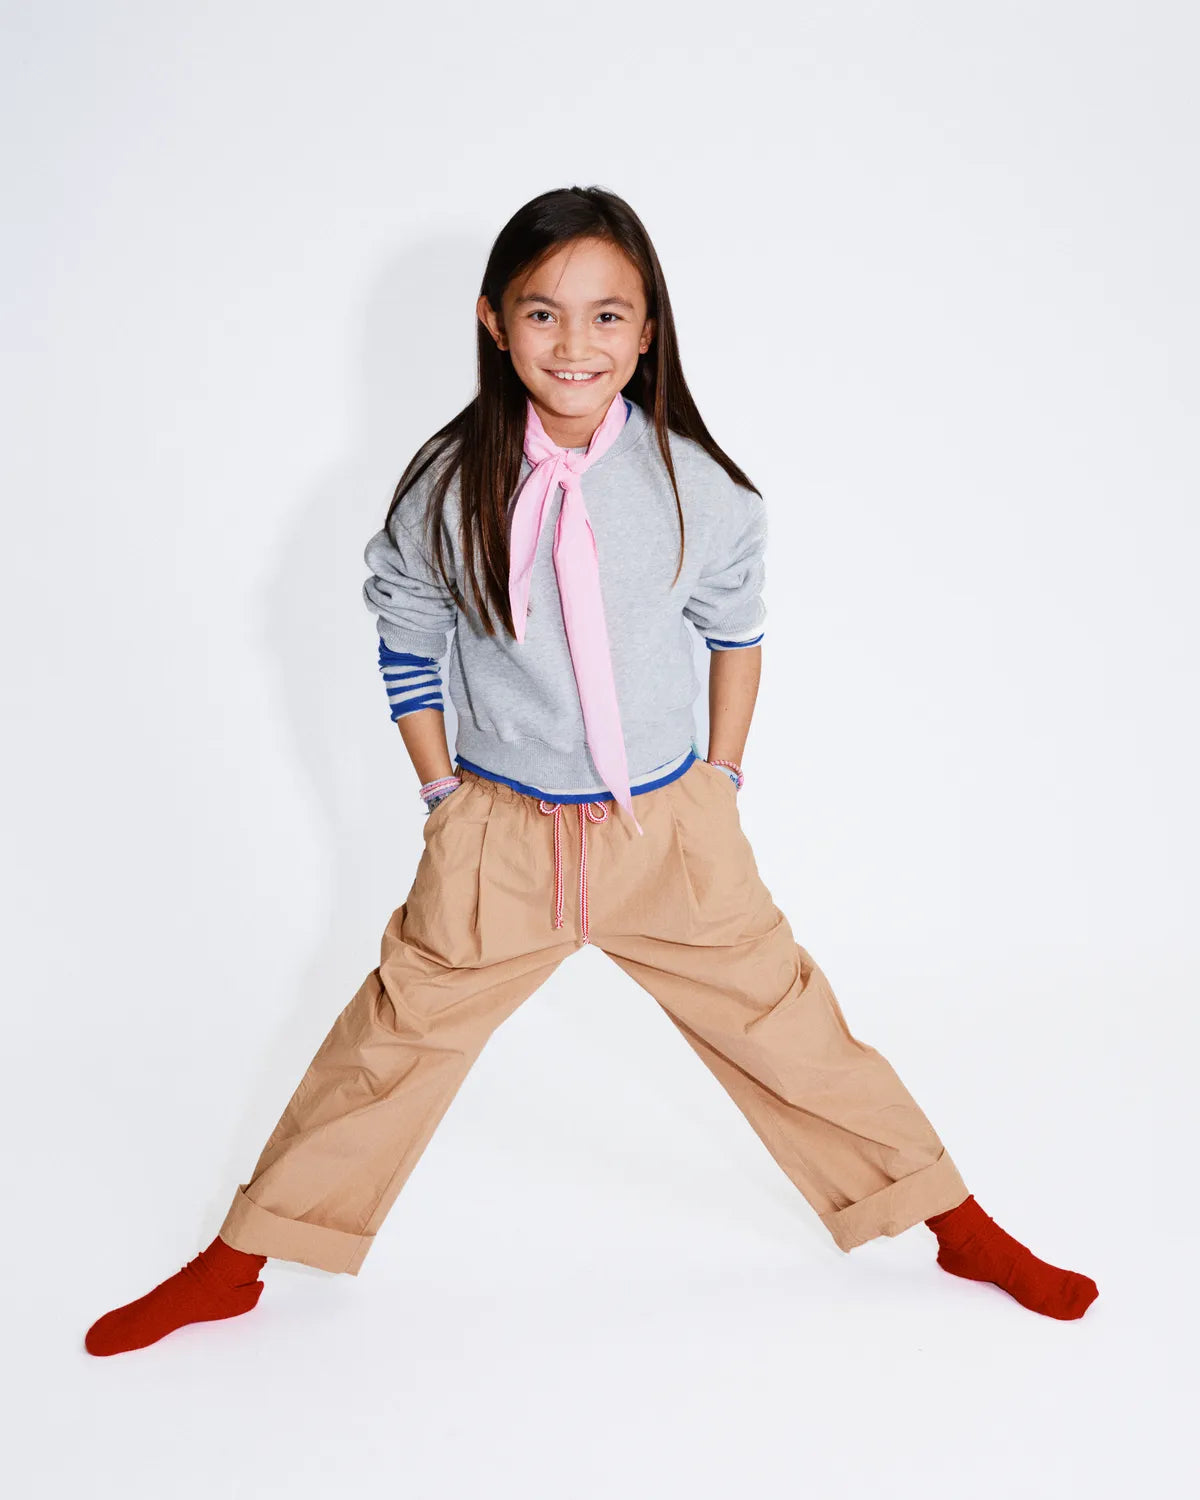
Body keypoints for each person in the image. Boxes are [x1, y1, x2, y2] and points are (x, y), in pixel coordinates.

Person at [85, 185, 1098, 1357]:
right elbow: (407, 639)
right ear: (493, 321)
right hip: (500, 836)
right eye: (543, 313)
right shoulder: (445, 486)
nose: (575, 344)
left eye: (608, 315)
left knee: (793, 1031)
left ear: (648, 329)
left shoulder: (698, 488)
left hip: (665, 831)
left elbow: (737, 635)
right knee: (388, 1045)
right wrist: (442, 795)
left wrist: (719, 778)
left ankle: (956, 1225)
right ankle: (238, 1260)